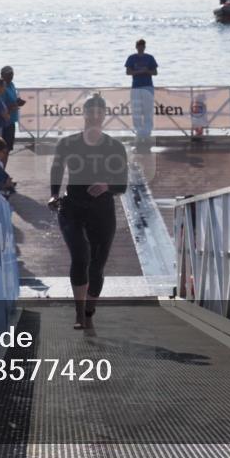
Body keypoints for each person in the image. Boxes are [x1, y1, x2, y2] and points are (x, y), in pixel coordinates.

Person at [47, 94, 128, 330]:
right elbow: (56, 169)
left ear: (104, 116)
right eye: (90, 112)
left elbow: (122, 185)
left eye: (99, 113)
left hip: (102, 212)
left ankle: (90, 309)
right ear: (83, 114)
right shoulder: (68, 143)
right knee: (80, 255)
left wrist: (106, 186)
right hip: (72, 208)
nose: (94, 117)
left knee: (97, 267)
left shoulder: (115, 147)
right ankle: (80, 312)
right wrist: (54, 194)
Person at [124, 39, 157, 141]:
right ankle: (138, 132)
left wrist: (147, 71)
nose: (140, 48)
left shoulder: (150, 58)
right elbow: (128, 72)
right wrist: (138, 72)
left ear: (144, 47)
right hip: (136, 86)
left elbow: (155, 72)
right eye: (139, 46)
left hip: (147, 86)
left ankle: (147, 132)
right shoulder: (131, 58)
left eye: (142, 46)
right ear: (136, 47)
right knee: (136, 110)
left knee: (148, 110)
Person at [0, 66, 25, 152]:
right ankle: (0, 165)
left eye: (12, 74)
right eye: (9, 74)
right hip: (3, 122)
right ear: (2, 75)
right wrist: (14, 105)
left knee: (9, 147)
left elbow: (13, 98)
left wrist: (18, 101)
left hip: (11, 120)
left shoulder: (11, 85)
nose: (11, 76)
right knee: (3, 148)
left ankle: (3, 164)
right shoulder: (1, 87)